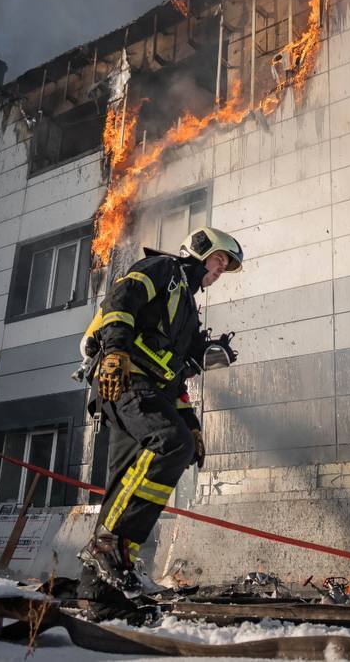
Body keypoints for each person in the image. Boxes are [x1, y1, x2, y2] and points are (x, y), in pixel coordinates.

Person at [77, 226, 243, 617]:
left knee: (124, 483)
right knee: (172, 443)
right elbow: (121, 302)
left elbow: (175, 380)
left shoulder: (187, 309)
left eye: (225, 268)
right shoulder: (162, 269)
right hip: (123, 376)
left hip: (146, 387)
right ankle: (108, 545)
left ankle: (100, 596)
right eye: (218, 261)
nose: (219, 271)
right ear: (199, 250)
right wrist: (115, 351)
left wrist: (194, 424)